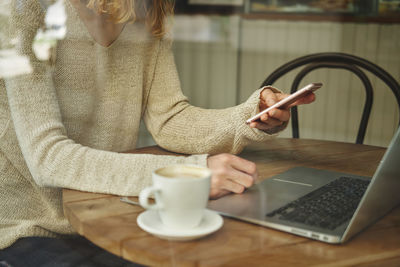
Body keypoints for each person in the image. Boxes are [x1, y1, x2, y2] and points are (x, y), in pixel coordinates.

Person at [0, 0, 315, 266]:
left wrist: (250, 116)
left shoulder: (148, 12)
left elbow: (170, 119)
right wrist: (190, 172)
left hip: (107, 211)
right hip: (29, 226)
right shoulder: (23, 9)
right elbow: (48, 158)